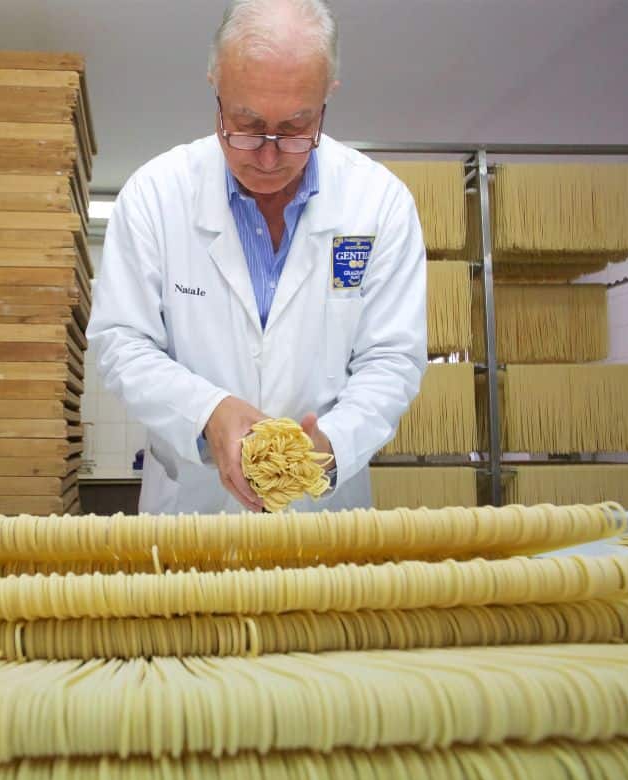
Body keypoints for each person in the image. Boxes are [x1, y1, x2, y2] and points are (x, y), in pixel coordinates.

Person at [87, 0, 427, 514]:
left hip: (322, 525)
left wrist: (331, 444)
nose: (268, 157)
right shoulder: (155, 195)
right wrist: (208, 412)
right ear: (215, 86)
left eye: (294, 129)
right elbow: (121, 342)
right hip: (193, 516)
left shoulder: (379, 203)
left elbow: (392, 359)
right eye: (245, 125)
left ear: (326, 95)